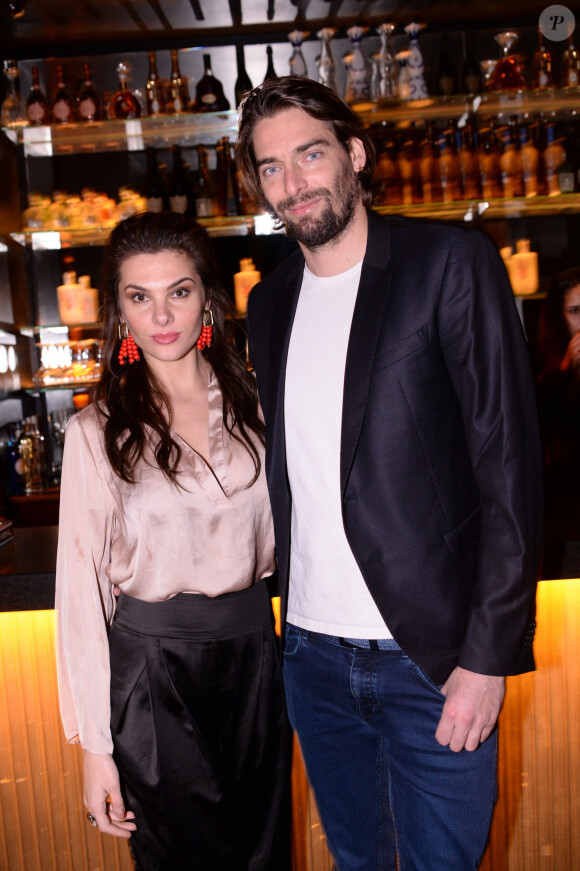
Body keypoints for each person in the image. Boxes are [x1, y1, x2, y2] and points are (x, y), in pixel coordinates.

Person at [236, 76, 543, 871]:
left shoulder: (447, 262)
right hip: (312, 657)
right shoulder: (267, 304)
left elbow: (508, 471)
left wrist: (488, 656)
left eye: (309, 154)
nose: (292, 182)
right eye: (270, 167)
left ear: (355, 154)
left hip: (432, 660)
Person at [55, 211, 291, 871]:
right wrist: (95, 749)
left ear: (207, 300)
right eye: (140, 295)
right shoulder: (94, 432)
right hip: (153, 671)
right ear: (119, 312)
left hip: (255, 657)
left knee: (264, 855)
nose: (162, 314)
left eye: (179, 291)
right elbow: (80, 598)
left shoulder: (258, 408)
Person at [536, 267, 580, 576]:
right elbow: (538, 424)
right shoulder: (541, 368)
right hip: (563, 518)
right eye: (575, 311)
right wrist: (565, 372)